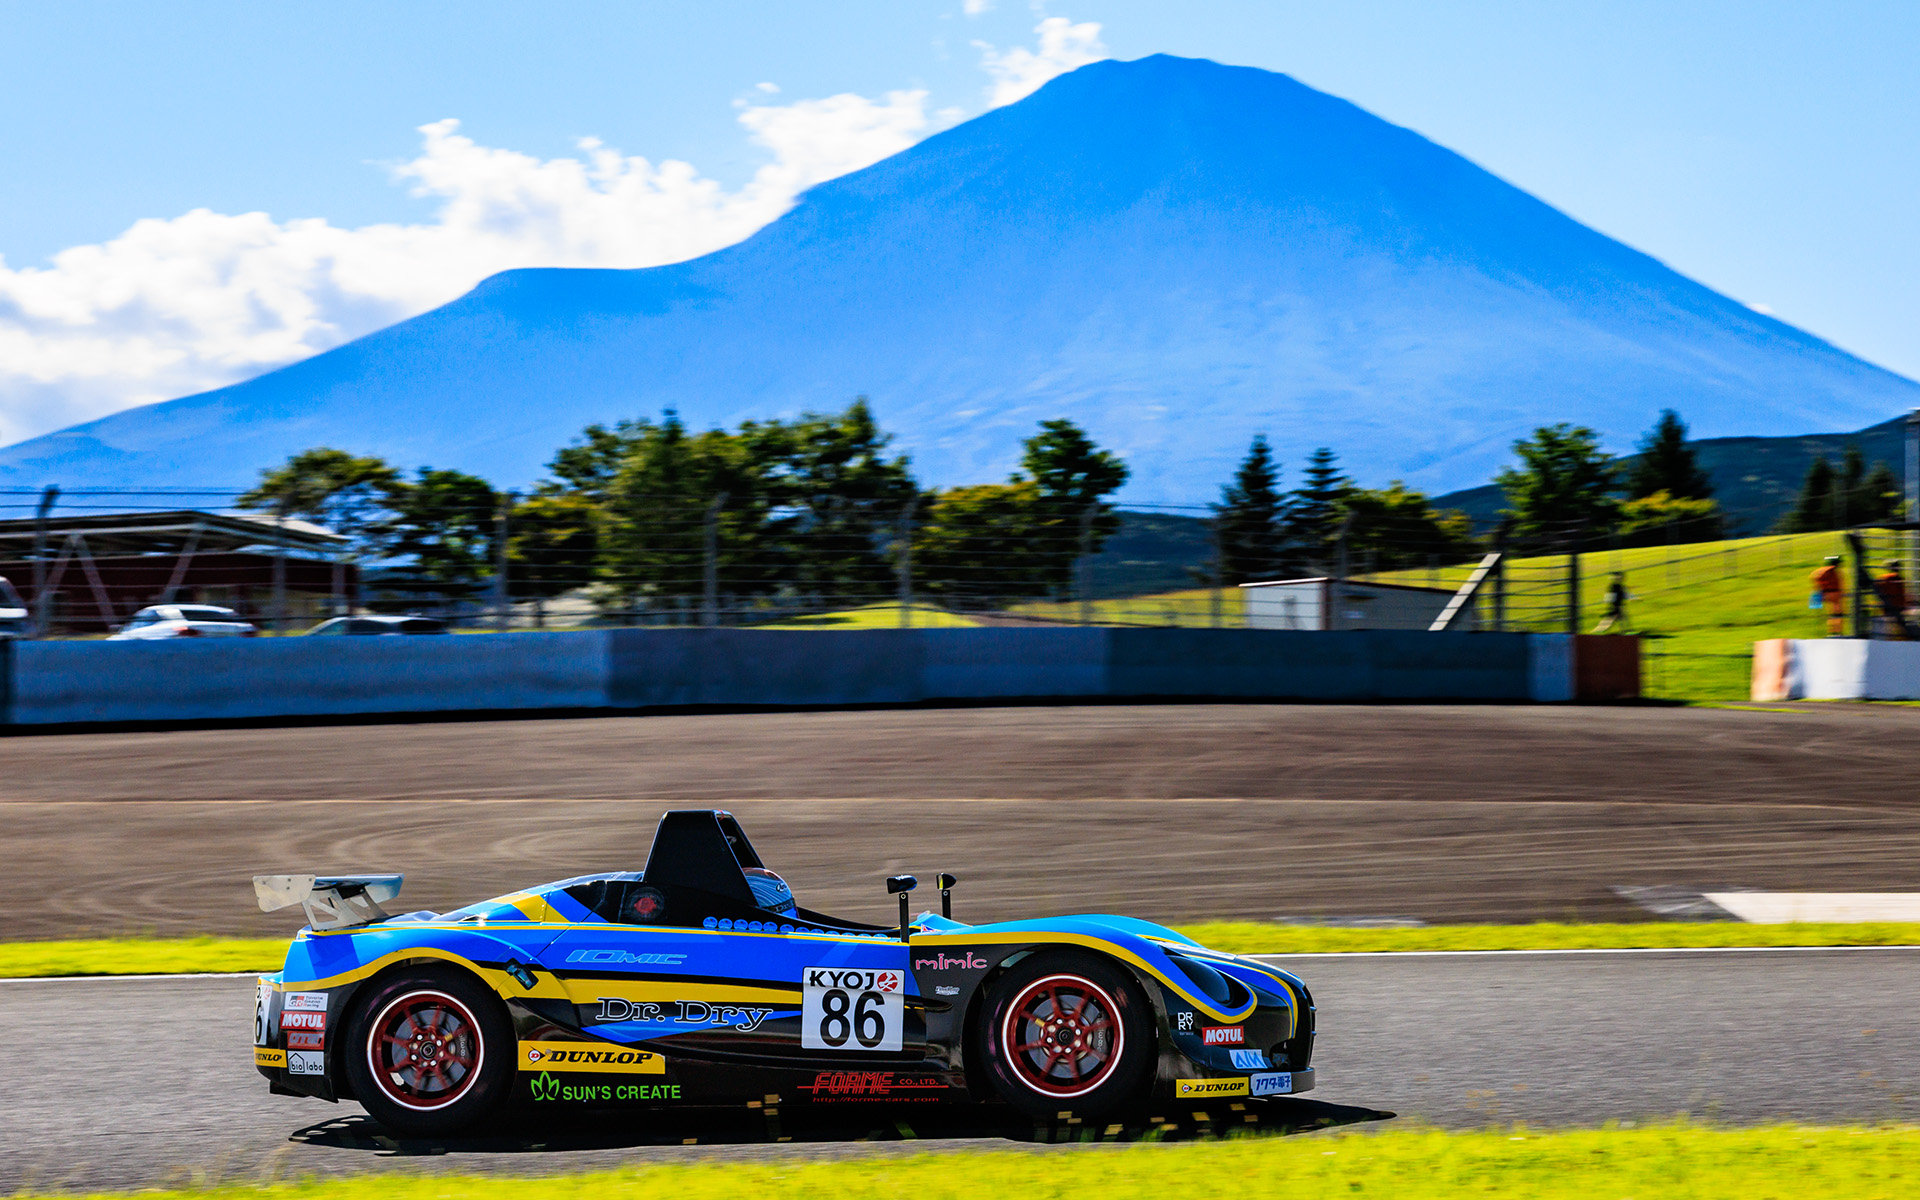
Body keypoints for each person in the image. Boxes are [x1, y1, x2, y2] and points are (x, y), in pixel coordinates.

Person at [1875, 561, 1913, 640]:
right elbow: (1906, 595)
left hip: (1889, 610)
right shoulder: (1901, 580)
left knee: (1889, 632)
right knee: (1902, 631)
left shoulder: (1884, 579)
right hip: (1899, 609)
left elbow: (1877, 589)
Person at [1811, 555, 1846, 637]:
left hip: (1833, 593)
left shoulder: (1833, 571)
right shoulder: (1829, 570)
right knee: (1836, 614)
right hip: (1831, 593)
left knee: (1836, 614)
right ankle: (1836, 631)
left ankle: (1835, 631)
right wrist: (1821, 587)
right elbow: (1816, 577)